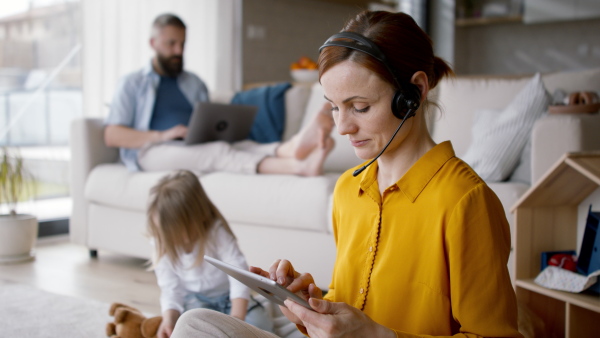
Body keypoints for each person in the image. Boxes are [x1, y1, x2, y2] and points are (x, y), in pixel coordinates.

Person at [170, 10, 523, 338]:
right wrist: (311, 305)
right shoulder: (348, 189)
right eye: (334, 107)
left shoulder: (466, 201)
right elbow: (349, 304)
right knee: (194, 325)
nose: (343, 127)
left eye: (360, 107)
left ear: (414, 92)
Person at [105, 13, 334, 176]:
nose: (179, 51)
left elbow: (206, 119)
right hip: (152, 152)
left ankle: (292, 148)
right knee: (217, 152)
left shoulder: (193, 82)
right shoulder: (132, 83)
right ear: (153, 43)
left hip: (193, 144)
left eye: (182, 44)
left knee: (240, 144)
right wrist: (162, 135)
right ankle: (298, 167)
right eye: (171, 43)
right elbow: (112, 134)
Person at [147, 170, 274, 338]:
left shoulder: (216, 233)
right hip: (196, 303)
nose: (165, 236)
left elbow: (239, 277)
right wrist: (168, 319)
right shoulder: (161, 242)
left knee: (260, 324)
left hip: (229, 299)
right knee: (187, 326)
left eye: (171, 230)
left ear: (193, 219)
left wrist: (236, 321)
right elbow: (170, 289)